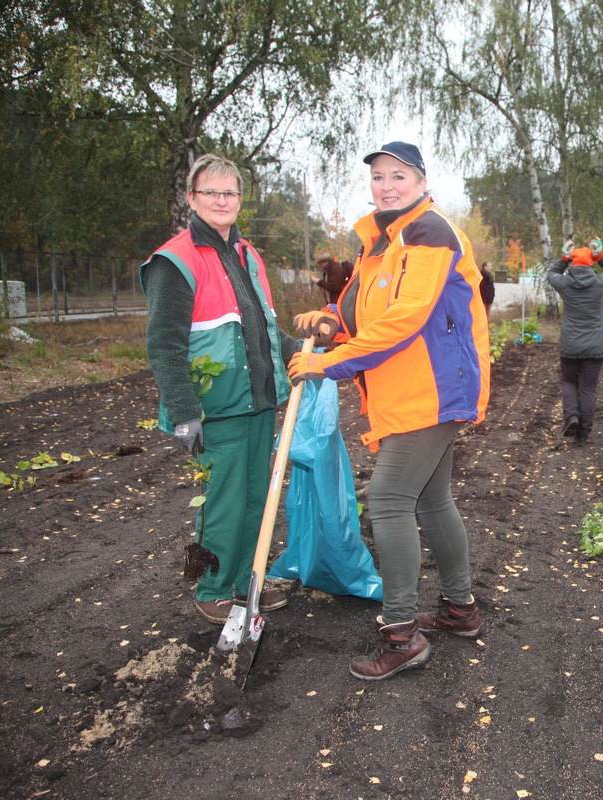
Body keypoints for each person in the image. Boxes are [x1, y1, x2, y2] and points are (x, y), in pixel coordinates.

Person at [288, 141, 491, 681]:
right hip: (407, 390)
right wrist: (333, 319)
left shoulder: (428, 232)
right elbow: (365, 307)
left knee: (389, 498)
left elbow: (406, 316)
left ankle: (402, 633)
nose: (387, 184)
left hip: (432, 389)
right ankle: (459, 609)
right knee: (430, 498)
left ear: (421, 182)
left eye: (398, 175)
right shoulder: (378, 243)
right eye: (378, 176)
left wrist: (331, 364)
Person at [141, 153, 301, 624]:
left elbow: (263, 326)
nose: (221, 200)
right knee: (224, 499)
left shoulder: (247, 255)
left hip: (259, 400)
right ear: (191, 198)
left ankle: (248, 578)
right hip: (216, 408)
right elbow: (164, 344)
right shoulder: (176, 261)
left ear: (239, 199)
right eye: (210, 191)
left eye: (229, 192)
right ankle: (213, 585)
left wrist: (303, 353)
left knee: (258, 496)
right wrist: (184, 409)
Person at [547, 238, 603, 445]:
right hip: (595, 346)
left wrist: (563, 258)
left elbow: (551, 274)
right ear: (590, 263)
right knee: (588, 388)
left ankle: (572, 417)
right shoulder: (599, 284)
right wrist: (599, 255)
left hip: (570, 345)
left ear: (573, 263)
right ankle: (583, 436)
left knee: (569, 382)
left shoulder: (565, 284)